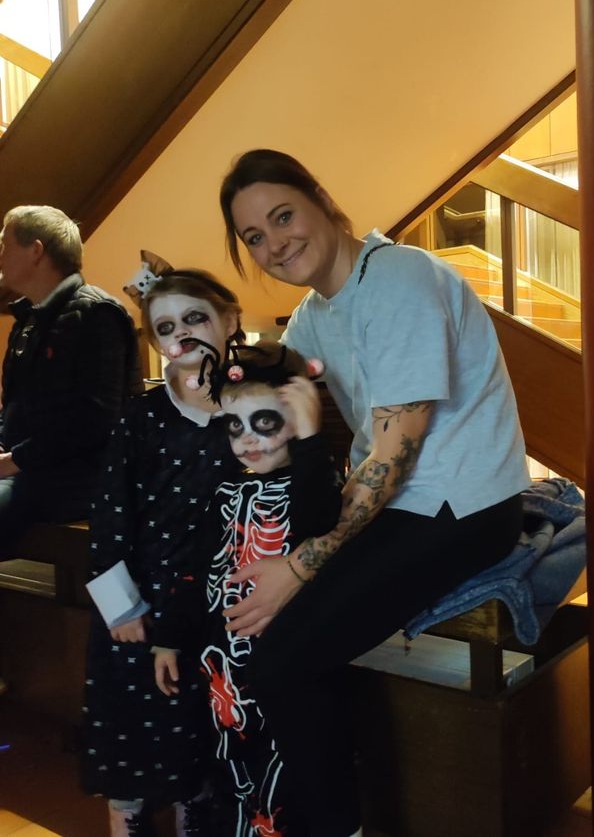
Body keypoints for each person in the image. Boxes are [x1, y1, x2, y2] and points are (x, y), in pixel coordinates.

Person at [218, 149, 531, 836]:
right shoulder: (312, 317)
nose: (274, 244)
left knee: (283, 658)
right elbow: (275, 405)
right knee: (265, 627)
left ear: (321, 199)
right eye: (254, 237)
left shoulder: (400, 278)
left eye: (282, 216)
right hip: (398, 505)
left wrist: (301, 565)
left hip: (461, 506)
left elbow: (394, 455)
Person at [80, 261, 244, 837]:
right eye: (167, 327)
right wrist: (120, 605)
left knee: (200, 735)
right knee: (134, 733)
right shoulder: (142, 416)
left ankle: (194, 818)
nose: (184, 334)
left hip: (222, 600)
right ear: (156, 343)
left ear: (229, 320)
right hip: (142, 603)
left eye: (196, 318)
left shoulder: (254, 407)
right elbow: (110, 513)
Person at [154, 340, 341, 836]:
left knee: (285, 781)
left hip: (282, 667)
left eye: (267, 423)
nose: (248, 440)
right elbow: (195, 571)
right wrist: (170, 635)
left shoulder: (312, 484)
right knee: (230, 773)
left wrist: (309, 441)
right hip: (222, 669)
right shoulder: (224, 491)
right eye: (237, 426)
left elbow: (321, 519)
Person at [0, 205, 141, 542]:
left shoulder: (96, 313)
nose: (0, 255)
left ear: (36, 251)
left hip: (79, 479)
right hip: (30, 469)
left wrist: (13, 460)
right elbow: (16, 411)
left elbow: (94, 421)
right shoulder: (30, 321)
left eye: (5, 244)